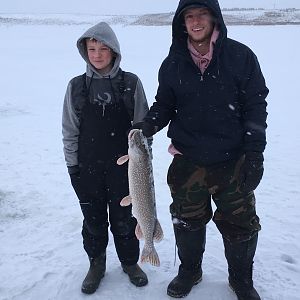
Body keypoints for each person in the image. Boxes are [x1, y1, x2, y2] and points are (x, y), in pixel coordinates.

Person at [134, 0, 268, 299]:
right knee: (187, 220)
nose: (196, 21)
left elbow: (256, 108)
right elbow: (165, 104)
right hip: (188, 161)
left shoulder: (240, 57)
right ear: (182, 23)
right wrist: (148, 125)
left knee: (240, 225)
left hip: (233, 160)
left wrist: (255, 156)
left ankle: (241, 280)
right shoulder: (173, 63)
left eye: (202, 14)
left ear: (214, 18)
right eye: (189, 16)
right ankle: (189, 270)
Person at [62, 22, 150, 294]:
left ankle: (130, 262)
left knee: (125, 218)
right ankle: (96, 264)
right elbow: (69, 130)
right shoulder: (76, 86)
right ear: (84, 51)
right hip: (88, 169)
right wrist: (72, 168)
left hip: (126, 170)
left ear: (114, 51)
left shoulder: (130, 83)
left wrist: (144, 169)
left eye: (103, 49)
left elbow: (144, 131)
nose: (97, 54)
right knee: (93, 220)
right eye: (91, 49)